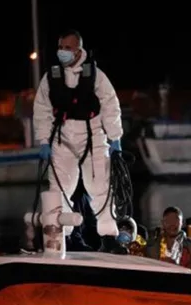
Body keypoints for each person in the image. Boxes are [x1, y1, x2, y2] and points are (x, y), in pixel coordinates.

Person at [33, 30, 123, 252]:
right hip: (62, 137)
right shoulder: (51, 77)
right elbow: (42, 109)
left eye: (67, 48)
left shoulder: (95, 75)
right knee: (59, 189)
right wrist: (43, 140)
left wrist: (115, 137)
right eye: (60, 47)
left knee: (101, 185)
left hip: (92, 135)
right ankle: (62, 236)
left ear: (79, 50)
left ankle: (108, 237)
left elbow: (111, 105)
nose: (62, 52)